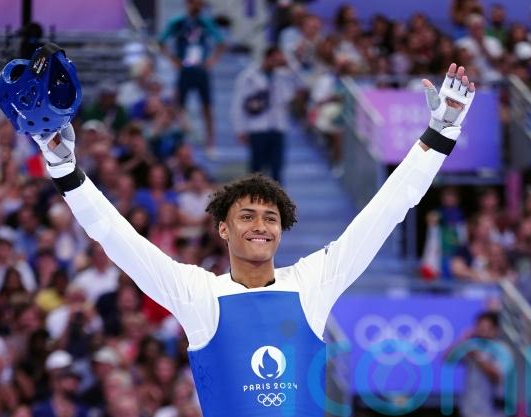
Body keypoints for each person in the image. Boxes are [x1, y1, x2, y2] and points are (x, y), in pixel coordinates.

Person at [25, 63, 475, 416]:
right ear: (223, 228)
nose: (261, 225)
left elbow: (386, 211)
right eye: (247, 216)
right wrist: (66, 171)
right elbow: (117, 238)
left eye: (270, 218)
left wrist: (440, 134)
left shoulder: (312, 283)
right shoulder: (198, 294)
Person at [159, 0, 225, 156]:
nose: (198, 6)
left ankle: (210, 144)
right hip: (185, 68)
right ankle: (182, 143)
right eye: (196, 3)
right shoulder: (178, 22)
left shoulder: (205, 22)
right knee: (179, 107)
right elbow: (161, 41)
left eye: (201, 4)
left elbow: (221, 42)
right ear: (188, 3)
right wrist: (172, 60)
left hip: (201, 68)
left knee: (207, 107)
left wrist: (212, 61)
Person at [231, 46, 297, 183]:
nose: (277, 62)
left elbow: (296, 89)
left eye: (279, 59)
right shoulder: (248, 76)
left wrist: (289, 64)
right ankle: (254, 196)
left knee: (277, 170)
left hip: (277, 126)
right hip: (257, 127)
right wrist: (240, 129)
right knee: (256, 170)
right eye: (275, 59)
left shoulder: (283, 75)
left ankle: (277, 197)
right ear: (267, 57)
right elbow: (239, 104)